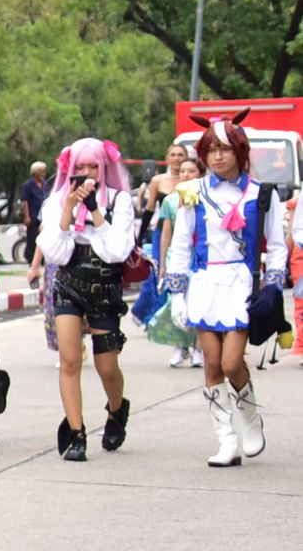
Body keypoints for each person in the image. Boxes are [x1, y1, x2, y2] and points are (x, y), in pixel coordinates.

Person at [161, 118, 288, 466]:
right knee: (212, 364)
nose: (217, 156)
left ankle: (249, 417)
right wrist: (176, 294)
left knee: (232, 362)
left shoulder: (262, 193)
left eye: (225, 149)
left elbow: (277, 245)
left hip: (242, 283)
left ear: (239, 151)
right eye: (211, 149)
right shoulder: (192, 192)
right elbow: (182, 244)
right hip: (205, 283)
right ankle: (226, 441)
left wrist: (273, 287)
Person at [37, 137, 138, 461]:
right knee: (70, 360)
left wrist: (94, 210)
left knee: (107, 366)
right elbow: (55, 252)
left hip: (104, 287)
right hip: (68, 284)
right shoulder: (56, 202)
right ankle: (76, 432)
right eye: (79, 166)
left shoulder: (119, 200)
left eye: (93, 166)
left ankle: (117, 410)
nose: (86, 172)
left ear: (104, 166)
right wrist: (68, 209)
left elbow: (117, 251)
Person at [142, 149, 200, 368]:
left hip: (199, 257)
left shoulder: (206, 197)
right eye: (183, 171)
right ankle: (180, 346)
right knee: (174, 302)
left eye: (191, 170)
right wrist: (162, 264)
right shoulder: (170, 201)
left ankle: (197, 348)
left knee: (196, 301)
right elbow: (166, 233)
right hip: (176, 255)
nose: (186, 174)